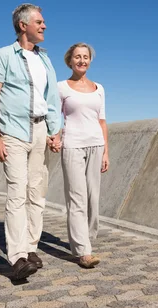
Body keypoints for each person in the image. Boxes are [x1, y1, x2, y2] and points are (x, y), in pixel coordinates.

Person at [0, 3, 61, 280]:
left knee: (36, 193)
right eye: (39, 22)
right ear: (23, 25)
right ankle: (16, 258)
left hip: (41, 132)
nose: (44, 26)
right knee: (17, 193)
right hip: (14, 132)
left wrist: (56, 131)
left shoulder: (45, 59)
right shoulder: (3, 55)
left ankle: (30, 247)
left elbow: (51, 99)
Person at [50, 42, 109, 268]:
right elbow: (55, 116)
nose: (82, 60)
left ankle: (86, 238)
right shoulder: (61, 87)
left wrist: (106, 151)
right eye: (77, 57)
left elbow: (102, 121)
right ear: (70, 61)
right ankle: (83, 251)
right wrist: (54, 137)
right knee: (77, 198)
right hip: (72, 145)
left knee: (93, 198)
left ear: (90, 61)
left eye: (85, 57)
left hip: (96, 144)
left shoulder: (99, 88)